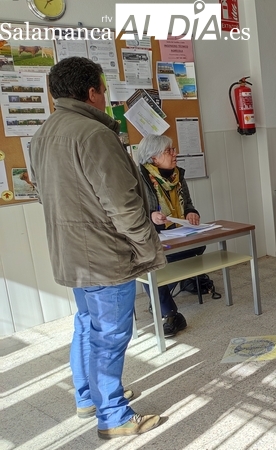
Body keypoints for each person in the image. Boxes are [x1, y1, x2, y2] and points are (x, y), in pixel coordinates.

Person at [28, 57, 164, 439]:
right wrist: (145, 247)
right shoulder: (94, 134)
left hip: (72, 255)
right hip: (105, 258)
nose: (105, 97)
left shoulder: (42, 134)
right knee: (110, 334)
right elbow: (122, 204)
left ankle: (88, 397)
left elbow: (42, 194)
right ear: (92, 92)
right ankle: (114, 415)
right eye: (104, 90)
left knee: (87, 326)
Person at [137, 134, 204, 337]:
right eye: (169, 151)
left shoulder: (177, 176)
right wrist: (151, 216)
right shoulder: (140, 179)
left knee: (199, 246)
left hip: (179, 230)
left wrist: (192, 213)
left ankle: (160, 296)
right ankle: (170, 314)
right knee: (152, 262)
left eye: (173, 149)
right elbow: (135, 210)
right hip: (153, 234)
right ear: (153, 158)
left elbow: (189, 205)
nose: (175, 154)